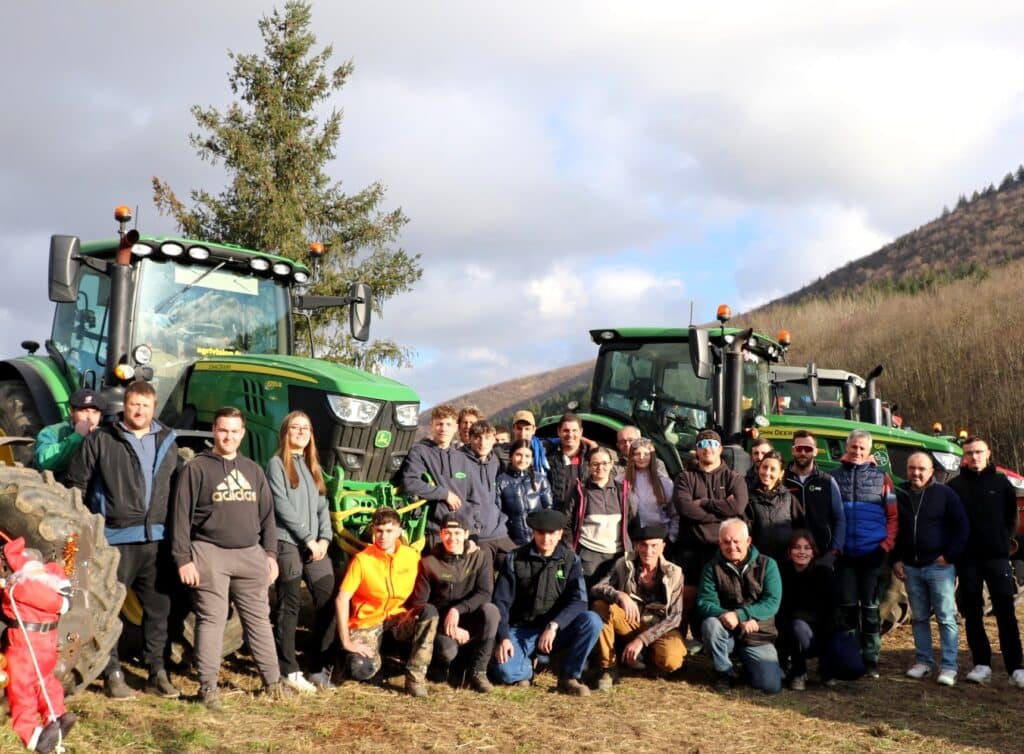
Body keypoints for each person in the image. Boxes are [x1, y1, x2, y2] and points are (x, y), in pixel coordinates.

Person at [65, 380, 180, 700]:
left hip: (156, 538)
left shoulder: (167, 440)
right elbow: (77, 484)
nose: (139, 410)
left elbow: (176, 488)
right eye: (134, 404)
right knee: (109, 609)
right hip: (114, 539)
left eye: (145, 405)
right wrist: (84, 533)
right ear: (124, 406)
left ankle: (157, 671)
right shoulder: (102, 439)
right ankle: (112, 672)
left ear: (154, 407)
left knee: (158, 608)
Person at [171, 407, 288, 710]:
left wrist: (270, 554)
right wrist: (183, 558)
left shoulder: (253, 470)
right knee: (212, 620)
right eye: (223, 430)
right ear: (214, 430)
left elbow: (268, 517)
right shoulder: (196, 468)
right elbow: (180, 517)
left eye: (235, 431)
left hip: (250, 554)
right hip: (210, 552)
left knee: (259, 620)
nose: (228, 436)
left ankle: (273, 682)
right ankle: (208, 688)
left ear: (243, 434)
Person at [492, 508, 603, 695]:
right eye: (541, 533)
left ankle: (568, 676)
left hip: (556, 631)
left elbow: (579, 601)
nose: (546, 538)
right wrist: (503, 637)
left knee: (592, 621)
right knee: (504, 672)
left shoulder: (570, 560)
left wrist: (554, 625)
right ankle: (526, 669)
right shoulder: (514, 558)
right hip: (521, 630)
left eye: (551, 533)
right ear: (533, 533)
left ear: (560, 534)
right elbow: (500, 602)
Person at [266, 411, 336, 693]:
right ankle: (288, 670)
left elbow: (322, 506)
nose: (301, 432)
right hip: (288, 542)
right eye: (295, 427)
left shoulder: (311, 466)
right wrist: (308, 538)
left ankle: (317, 667)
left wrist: (325, 538)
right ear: (285, 432)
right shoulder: (276, 464)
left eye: (305, 428)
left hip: (315, 545)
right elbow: (281, 505)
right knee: (290, 604)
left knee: (329, 599)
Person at [334, 507, 437, 697]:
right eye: (379, 530)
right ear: (373, 530)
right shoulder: (362, 560)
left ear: (399, 531)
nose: (383, 536)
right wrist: (346, 641)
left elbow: (433, 570)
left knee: (428, 612)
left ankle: (415, 678)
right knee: (359, 668)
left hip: (397, 619)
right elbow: (342, 598)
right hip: (368, 622)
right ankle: (376, 661)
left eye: (389, 531)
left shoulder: (411, 556)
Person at [948, 436, 1024, 687]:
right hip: (968, 560)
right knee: (972, 612)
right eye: (969, 453)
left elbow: (1012, 517)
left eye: (979, 452)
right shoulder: (955, 486)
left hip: (997, 558)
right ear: (964, 456)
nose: (974, 457)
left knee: (1005, 611)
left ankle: (1016, 667)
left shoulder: (1001, 483)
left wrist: (1003, 542)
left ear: (988, 453)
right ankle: (981, 664)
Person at [892, 453, 968, 687]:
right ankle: (923, 662)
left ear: (932, 471)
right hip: (911, 567)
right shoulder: (900, 494)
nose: (916, 473)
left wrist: (950, 555)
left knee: (945, 617)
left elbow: (962, 526)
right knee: (919, 618)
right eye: (911, 468)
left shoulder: (945, 494)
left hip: (939, 567)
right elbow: (894, 528)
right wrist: (895, 559)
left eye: (921, 469)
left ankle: (949, 666)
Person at [831, 429, 897, 677]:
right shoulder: (834, 477)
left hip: (872, 553)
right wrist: (835, 547)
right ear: (847, 448)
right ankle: (850, 657)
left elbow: (893, 517)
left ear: (869, 451)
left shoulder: (882, 478)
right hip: (845, 554)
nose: (857, 452)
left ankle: (871, 659)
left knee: (870, 609)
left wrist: (885, 547)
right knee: (847, 608)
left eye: (862, 448)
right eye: (853, 447)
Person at [407, 515, 499, 692]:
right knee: (447, 651)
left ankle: (478, 672)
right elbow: (420, 602)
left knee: (491, 611)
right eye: (447, 533)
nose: (452, 538)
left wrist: (457, 610)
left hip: (469, 620)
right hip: (442, 627)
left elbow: (485, 593)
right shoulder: (429, 562)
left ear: (466, 534)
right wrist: (447, 626)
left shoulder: (481, 557)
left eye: (457, 533)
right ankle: (441, 666)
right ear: (441, 534)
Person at [1, 537, 76, 754]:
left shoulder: (22, 588)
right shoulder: (51, 587)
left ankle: (32, 736)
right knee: (46, 682)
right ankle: (56, 717)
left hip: (24, 646)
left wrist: (7, 582)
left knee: (21, 689)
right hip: (47, 646)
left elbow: (13, 591)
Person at [673, 429, 749, 640]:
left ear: (721, 449)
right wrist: (721, 514)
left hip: (720, 551)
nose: (708, 449)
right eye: (703, 445)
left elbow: (737, 506)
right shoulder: (685, 477)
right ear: (697, 450)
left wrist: (704, 503)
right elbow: (685, 508)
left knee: (720, 600)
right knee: (685, 602)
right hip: (690, 549)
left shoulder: (734, 478)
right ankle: (678, 646)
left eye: (713, 444)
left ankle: (716, 643)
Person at [590, 523, 685, 688]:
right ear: (636, 546)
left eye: (654, 546)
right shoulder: (624, 564)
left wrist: (642, 640)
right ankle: (608, 667)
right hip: (630, 622)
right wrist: (619, 595)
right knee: (600, 606)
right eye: (644, 545)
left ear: (663, 547)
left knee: (672, 660)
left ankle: (649, 659)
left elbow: (675, 617)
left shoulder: (674, 573)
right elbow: (597, 588)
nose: (648, 551)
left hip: (658, 628)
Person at [697, 518, 783, 694]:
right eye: (726, 542)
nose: (732, 546)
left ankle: (746, 667)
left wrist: (741, 615)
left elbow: (772, 602)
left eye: (736, 541)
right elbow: (704, 602)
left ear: (748, 541)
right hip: (726, 631)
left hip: (757, 633)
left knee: (770, 686)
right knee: (711, 625)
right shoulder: (711, 568)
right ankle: (724, 672)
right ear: (719, 543)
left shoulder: (768, 565)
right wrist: (728, 615)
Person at [777, 530, 855, 690]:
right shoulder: (780, 574)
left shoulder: (825, 573)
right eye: (797, 547)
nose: (802, 552)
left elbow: (832, 611)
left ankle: (826, 668)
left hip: (823, 631)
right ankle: (798, 671)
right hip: (794, 633)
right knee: (796, 626)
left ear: (813, 552)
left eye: (807, 548)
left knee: (853, 668)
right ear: (789, 551)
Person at [563, 447, 636, 587]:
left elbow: (631, 519)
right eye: (595, 464)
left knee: (616, 594)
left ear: (611, 464)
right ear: (588, 465)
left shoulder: (623, 491)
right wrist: (571, 551)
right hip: (589, 555)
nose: (600, 467)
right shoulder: (580, 491)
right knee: (587, 592)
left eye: (604, 463)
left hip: (618, 555)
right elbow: (567, 523)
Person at [400, 404, 466, 543]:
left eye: (448, 424)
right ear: (432, 425)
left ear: (456, 427)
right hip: (434, 530)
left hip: (460, 531)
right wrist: (444, 494)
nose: (443, 428)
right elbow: (410, 483)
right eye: (439, 424)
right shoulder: (420, 451)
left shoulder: (462, 457)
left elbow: (472, 495)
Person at [783, 430, 845, 568]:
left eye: (808, 449)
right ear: (793, 450)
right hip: (788, 557)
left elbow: (839, 518)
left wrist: (834, 552)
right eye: (799, 448)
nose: (803, 452)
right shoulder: (782, 480)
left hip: (821, 556)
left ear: (815, 451)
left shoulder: (828, 481)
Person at [457, 420, 515, 563]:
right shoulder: (458, 460)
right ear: (470, 439)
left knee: (518, 568)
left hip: (499, 531)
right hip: (477, 534)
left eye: (487, 438)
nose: (483, 443)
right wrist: (471, 533)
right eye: (477, 438)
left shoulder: (496, 461)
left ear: (494, 439)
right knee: (485, 576)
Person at [33, 388, 105, 480]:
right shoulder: (51, 432)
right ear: (71, 411)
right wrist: (77, 436)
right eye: (84, 411)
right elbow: (44, 462)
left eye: (95, 412)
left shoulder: (104, 436)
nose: (90, 417)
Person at [747, 450, 804, 563]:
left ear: (781, 474)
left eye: (773, 469)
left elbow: (801, 529)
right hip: (757, 562)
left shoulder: (789, 498)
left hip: (786, 562)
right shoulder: (749, 498)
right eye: (764, 467)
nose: (767, 472)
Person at [496, 439, 554, 546]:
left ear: (532, 459)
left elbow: (548, 509)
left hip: (538, 540)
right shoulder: (501, 481)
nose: (523, 460)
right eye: (518, 455)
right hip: (512, 541)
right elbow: (497, 512)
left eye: (527, 456)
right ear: (511, 456)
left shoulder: (540, 479)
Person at [624, 437, 677, 544]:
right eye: (637, 454)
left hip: (659, 537)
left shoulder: (664, 482)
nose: (641, 457)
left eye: (646, 454)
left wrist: (672, 537)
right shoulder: (621, 480)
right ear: (631, 456)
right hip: (633, 537)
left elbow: (675, 513)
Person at [545, 413, 594, 511]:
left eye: (574, 430)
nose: (570, 435)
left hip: (585, 513)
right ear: (559, 431)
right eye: (566, 430)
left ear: (581, 432)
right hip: (557, 515)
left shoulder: (591, 457)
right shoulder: (548, 457)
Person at [511, 410, 549, 475]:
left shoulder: (545, 450)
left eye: (527, 429)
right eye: (519, 428)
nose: (523, 433)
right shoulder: (504, 453)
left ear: (534, 430)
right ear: (513, 428)